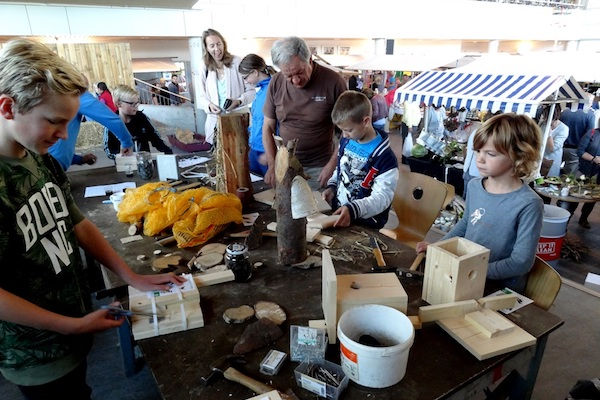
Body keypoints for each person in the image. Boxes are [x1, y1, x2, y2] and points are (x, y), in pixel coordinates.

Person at [0, 38, 186, 400]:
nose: (64, 135)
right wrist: (70, 326)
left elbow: (77, 223)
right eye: (54, 122)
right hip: (36, 352)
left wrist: (131, 276)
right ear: (8, 107)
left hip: (73, 325)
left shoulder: (39, 158)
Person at [416, 113, 543, 293]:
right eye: (478, 151)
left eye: (490, 153)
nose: (480, 159)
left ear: (519, 156)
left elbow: (520, 262)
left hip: (499, 289)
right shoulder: (475, 186)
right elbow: (467, 223)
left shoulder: (529, 204)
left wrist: (474, 270)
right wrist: (438, 248)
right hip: (466, 274)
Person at [263, 36, 347, 190]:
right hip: (285, 165)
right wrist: (272, 163)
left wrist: (332, 166)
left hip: (320, 167)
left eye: (300, 72)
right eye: (288, 76)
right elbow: (268, 126)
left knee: (317, 211)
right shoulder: (275, 82)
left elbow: (347, 132)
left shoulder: (334, 82)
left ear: (310, 59)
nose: (295, 81)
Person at [322, 91, 398, 229]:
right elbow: (340, 169)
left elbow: (383, 197)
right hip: (340, 213)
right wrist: (332, 186)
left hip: (365, 224)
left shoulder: (385, 158)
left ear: (366, 121)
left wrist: (354, 209)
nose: (344, 135)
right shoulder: (347, 141)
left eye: (349, 130)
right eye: (342, 130)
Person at [196, 28, 255, 145]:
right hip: (215, 123)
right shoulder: (204, 66)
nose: (216, 49)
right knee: (218, 156)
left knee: (239, 155)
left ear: (224, 44)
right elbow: (201, 96)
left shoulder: (236, 62)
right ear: (206, 48)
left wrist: (238, 101)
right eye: (212, 46)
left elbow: (252, 91)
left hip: (237, 120)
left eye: (219, 44)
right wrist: (209, 105)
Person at [49, 91, 134, 170]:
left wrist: (78, 159)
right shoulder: (75, 92)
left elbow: (51, 142)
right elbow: (111, 119)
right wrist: (126, 143)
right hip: (52, 166)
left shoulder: (49, 94)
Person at [104, 85, 173, 159]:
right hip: (125, 166)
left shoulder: (141, 118)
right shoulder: (112, 123)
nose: (136, 106)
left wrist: (169, 153)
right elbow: (109, 151)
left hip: (144, 164)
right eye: (132, 104)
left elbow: (155, 138)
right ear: (119, 104)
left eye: (137, 103)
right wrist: (120, 156)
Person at [238, 54, 276, 176]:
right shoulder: (259, 91)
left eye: (245, 78)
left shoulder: (273, 89)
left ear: (254, 72)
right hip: (255, 148)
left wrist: (272, 155)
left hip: (266, 150)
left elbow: (280, 124)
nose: (246, 82)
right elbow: (257, 121)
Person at [559, 95, 596, 175]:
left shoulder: (565, 112)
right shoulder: (590, 115)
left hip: (560, 147)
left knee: (553, 174)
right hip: (575, 150)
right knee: (568, 178)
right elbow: (590, 133)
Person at [573, 127, 600, 228]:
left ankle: (584, 218)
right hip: (583, 171)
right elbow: (580, 151)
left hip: (598, 175)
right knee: (574, 196)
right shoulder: (592, 133)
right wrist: (594, 159)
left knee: (593, 199)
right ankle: (566, 219)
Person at [540, 104, 568, 177]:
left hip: (552, 161)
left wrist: (549, 134)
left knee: (549, 182)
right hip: (540, 158)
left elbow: (552, 148)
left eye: (546, 116)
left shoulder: (564, 129)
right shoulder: (543, 125)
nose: (544, 118)